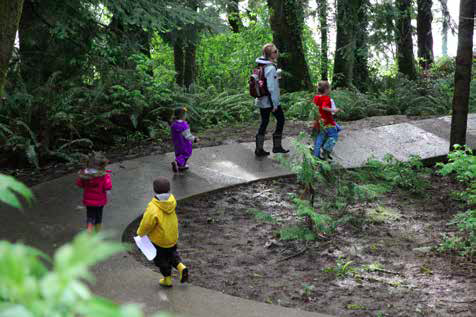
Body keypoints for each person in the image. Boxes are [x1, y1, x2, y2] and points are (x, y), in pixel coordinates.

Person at [136, 177, 189, 287]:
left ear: (154, 189)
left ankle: (167, 280)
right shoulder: (172, 202)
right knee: (172, 253)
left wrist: (140, 233)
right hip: (172, 236)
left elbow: (147, 224)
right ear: (169, 189)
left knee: (161, 260)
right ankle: (181, 266)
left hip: (159, 240)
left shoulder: (153, 208)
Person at [254, 43, 289, 157]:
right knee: (281, 120)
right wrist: (274, 104)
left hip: (262, 100)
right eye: (275, 51)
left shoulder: (261, 65)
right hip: (270, 101)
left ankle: (259, 149)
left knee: (264, 122)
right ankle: (277, 147)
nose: (277, 53)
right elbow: (271, 88)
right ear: (270, 55)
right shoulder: (270, 68)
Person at [76, 152, 112, 233]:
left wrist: (82, 175)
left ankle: (89, 230)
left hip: (89, 201)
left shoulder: (85, 175)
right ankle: (98, 231)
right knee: (98, 217)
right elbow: (108, 186)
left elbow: (79, 184)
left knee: (90, 216)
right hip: (100, 201)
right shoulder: (104, 176)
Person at [312, 81, 342, 160]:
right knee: (334, 136)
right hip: (327, 122)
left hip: (319, 121)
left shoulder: (316, 97)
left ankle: (316, 155)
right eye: (329, 88)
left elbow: (314, 107)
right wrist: (334, 110)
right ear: (326, 89)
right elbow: (323, 107)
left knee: (320, 137)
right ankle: (326, 150)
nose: (330, 90)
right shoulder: (326, 98)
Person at [170, 107, 198, 172]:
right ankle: (177, 163)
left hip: (177, 143)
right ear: (182, 116)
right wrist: (195, 139)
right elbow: (188, 136)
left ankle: (181, 165)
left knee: (179, 154)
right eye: (185, 115)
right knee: (187, 154)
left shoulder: (174, 124)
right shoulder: (184, 125)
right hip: (185, 144)